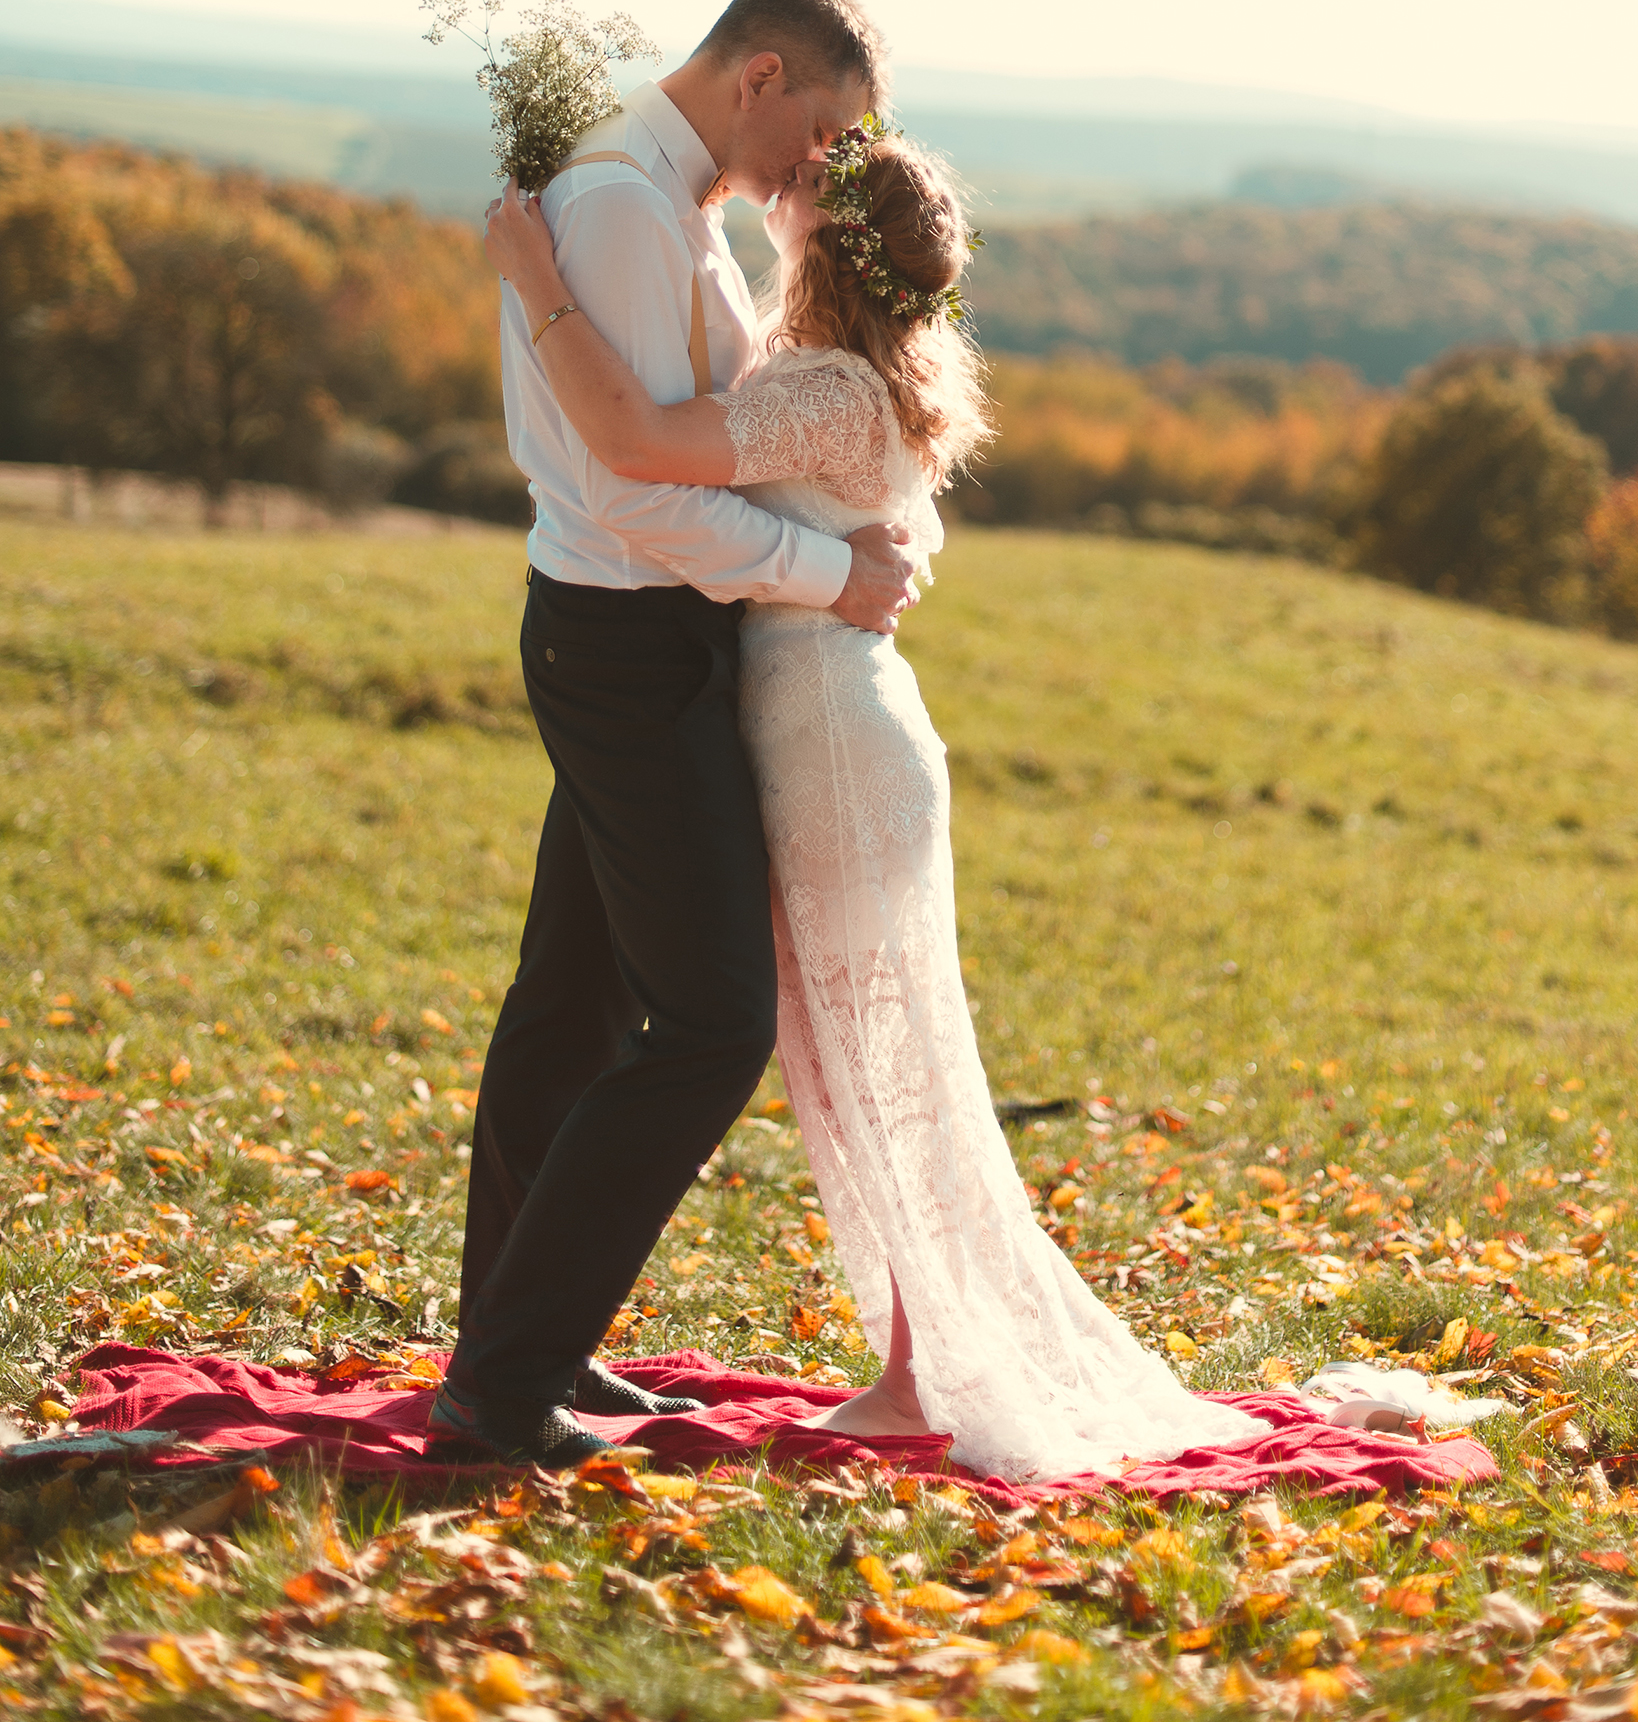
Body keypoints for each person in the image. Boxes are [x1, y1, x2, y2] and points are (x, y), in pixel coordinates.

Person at [480, 114, 1275, 1481]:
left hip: (831, 738)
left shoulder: (824, 392)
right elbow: (879, 517)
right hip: (843, 722)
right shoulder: (863, 380)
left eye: (788, 196)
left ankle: (920, 1374)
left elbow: (635, 441)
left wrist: (535, 280)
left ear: (825, 243)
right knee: (867, 1049)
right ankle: (909, 1364)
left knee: (873, 1051)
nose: (767, 194)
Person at [430, 0, 920, 1469]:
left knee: (570, 1003)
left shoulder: (670, 199)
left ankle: (521, 1343)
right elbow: (641, 486)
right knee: (711, 1025)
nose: (821, 167)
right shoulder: (631, 211)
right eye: (823, 127)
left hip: (646, 641)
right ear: (761, 72)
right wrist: (829, 574)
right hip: (629, 643)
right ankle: (505, 1384)